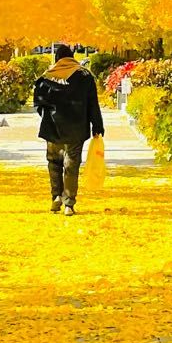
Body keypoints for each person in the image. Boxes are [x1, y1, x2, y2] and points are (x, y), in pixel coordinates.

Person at [33, 42, 105, 216]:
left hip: (53, 127)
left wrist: (47, 114)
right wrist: (97, 125)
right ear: (72, 57)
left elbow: (38, 102)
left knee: (54, 163)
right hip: (76, 128)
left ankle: (56, 196)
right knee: (72, 166)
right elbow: (92, 103)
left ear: (57, 59)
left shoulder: (47, 77)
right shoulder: (85, 76)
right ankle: (69, 204)